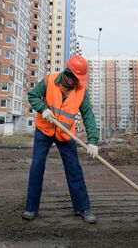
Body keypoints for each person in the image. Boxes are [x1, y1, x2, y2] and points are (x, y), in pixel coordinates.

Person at [22, 55, 99, 224]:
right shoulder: (49, 81)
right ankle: (31, 208)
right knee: (37, 166)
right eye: (76, 78)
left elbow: (88, 116)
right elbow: (33, 96)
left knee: (74, 169)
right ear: (68, 74)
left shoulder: (81, 91)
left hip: (66, 134)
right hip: (44, 130)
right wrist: (43, 109)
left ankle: (83, 208)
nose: (78, 82)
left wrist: (93, 140)